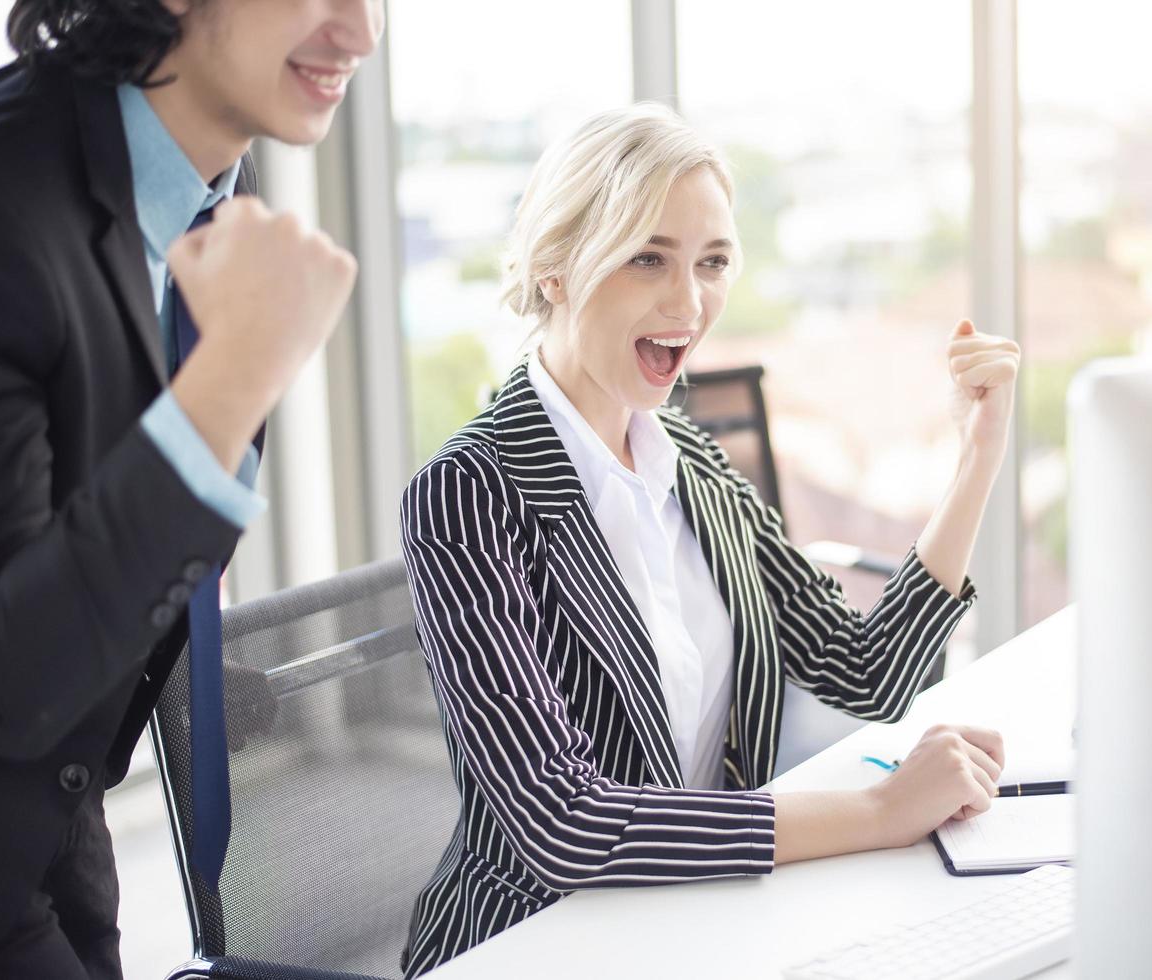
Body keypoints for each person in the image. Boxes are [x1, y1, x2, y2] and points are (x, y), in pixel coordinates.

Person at [398, 102, 1023, 977]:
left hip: (700, 918)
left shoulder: (688, 455)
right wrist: (881, 811)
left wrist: (978, 458)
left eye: (713, 263)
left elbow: (864, 671)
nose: (689, 305)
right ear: (554, 267)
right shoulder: (470, 490)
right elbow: (560, 822)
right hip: (536, 942)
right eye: (649, 258)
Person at [0, 1, 380, 975]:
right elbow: (0, 682)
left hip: (56, 835)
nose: (360, 34)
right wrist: (233, 378)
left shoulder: (212, 194)